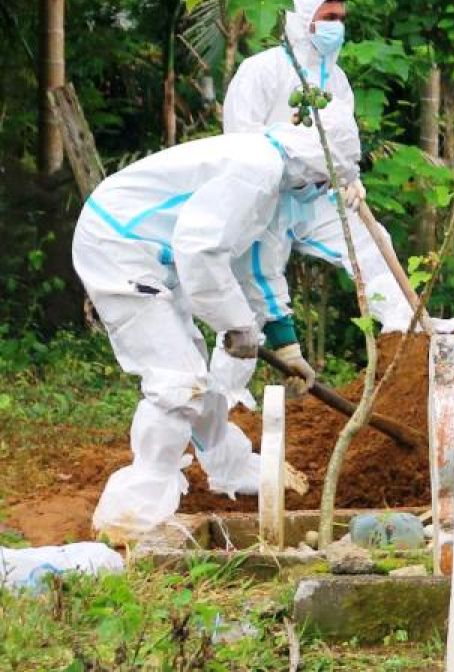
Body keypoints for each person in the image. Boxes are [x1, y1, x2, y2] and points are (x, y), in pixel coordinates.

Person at [74, 116, 361, 540]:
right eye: (323, 182)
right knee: (177, 381)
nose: (319, 192)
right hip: (119, 247)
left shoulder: (271, 180)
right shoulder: (255, 173)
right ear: (315, 165)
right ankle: (133, 514)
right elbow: (200, 249)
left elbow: (252, 267)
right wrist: (235, 323)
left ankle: (230, 466)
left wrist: (286, 347)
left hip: (152, 254)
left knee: (195, 378)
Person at [211, 0, 454, 417]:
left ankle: (405, 320)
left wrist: (351, 177)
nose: (337, 26)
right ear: (302, 21)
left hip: (319, 195)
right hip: (266, 197)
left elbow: (343, 138)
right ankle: (225, 397)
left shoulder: (336, 78)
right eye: (328, 18)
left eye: (341, 19)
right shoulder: (262, 71)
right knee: (254, 292)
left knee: (372, 244)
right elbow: (241, 139)